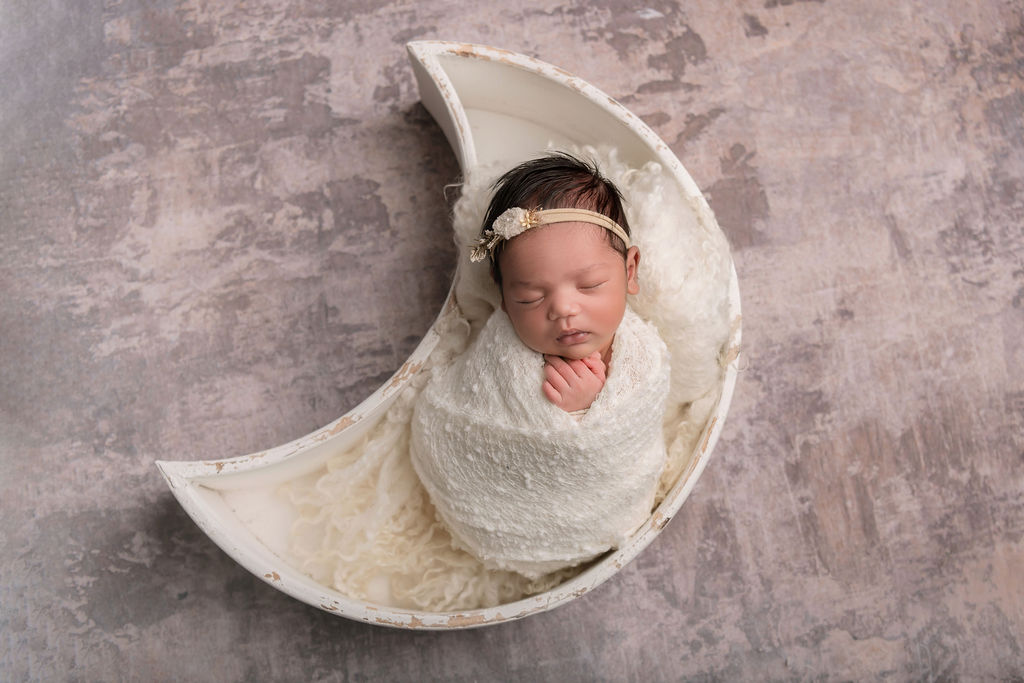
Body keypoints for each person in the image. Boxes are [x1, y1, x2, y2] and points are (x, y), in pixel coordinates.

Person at [410, 152, 670, 579]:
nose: (564, 310)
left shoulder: (643, 355)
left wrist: (589, 413)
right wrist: (558, 410)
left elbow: (631, 432)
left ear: (630, 270)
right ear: (505, 299)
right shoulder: (504, 350)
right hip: (495, 506)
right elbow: (454, 412)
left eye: (590, 285)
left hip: (598, 511)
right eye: (530, 298)